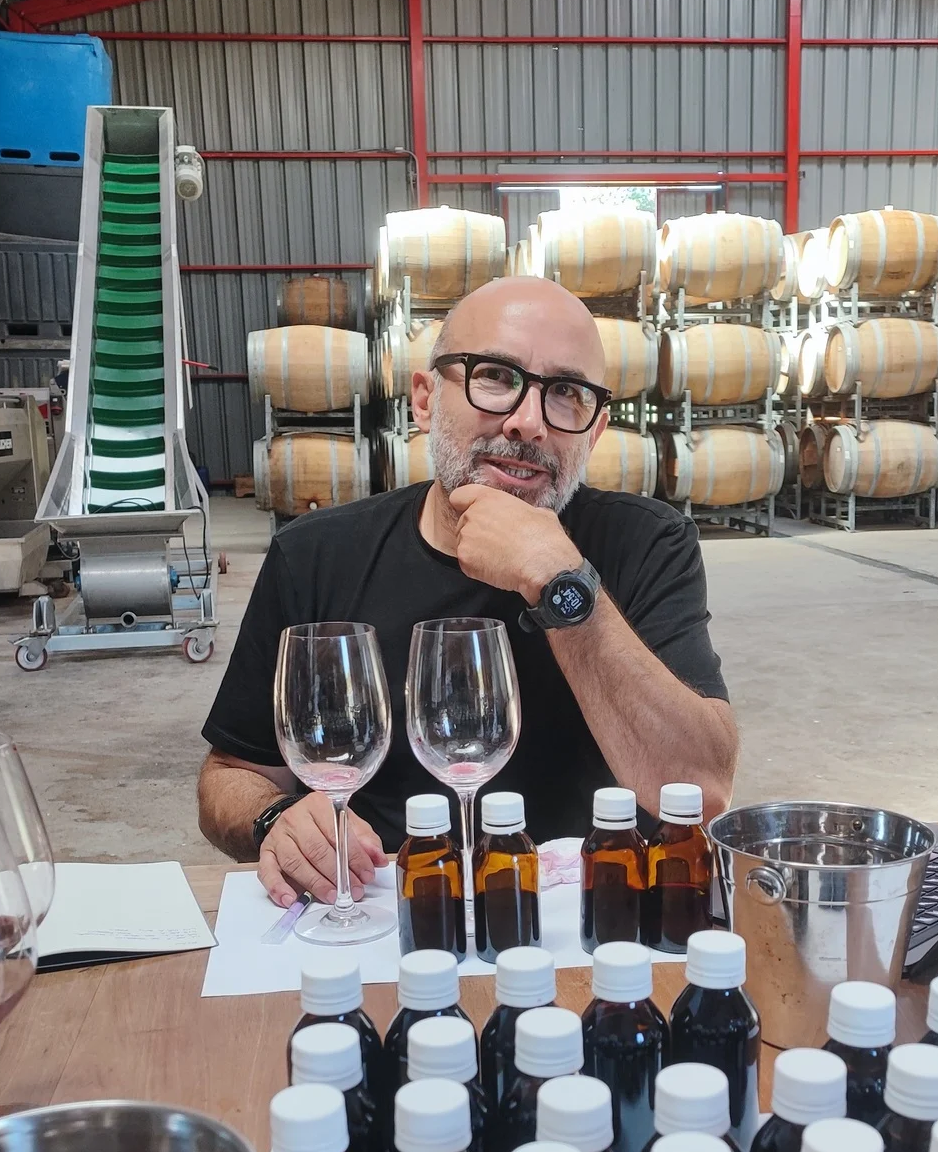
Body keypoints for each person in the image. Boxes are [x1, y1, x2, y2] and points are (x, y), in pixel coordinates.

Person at [198, 275, 739, 907]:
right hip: (393, 905)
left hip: (595, 916)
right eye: (496, 377)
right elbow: (231, 776)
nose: (529, 423)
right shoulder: (317, 554)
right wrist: (274, 819)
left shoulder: (645, 543)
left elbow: (701, 789)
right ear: (424, 400)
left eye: (566, 393)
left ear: (593, 431)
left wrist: (560, 582)